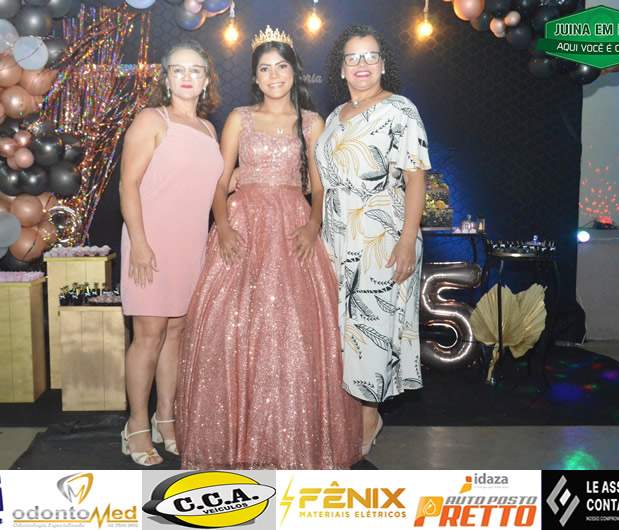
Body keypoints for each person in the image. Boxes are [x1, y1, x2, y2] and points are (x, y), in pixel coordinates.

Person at [175, 26, 362, 469]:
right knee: (231, 326)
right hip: (242, 223)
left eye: (281, 67)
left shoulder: (311, 122)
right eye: (265, 68)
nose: (274, 75)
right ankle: (230, 440)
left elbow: (320, 186)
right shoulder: (239, 118)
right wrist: (223, 226)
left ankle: (293, 441)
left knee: (295, 330)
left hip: (293, 224)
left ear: (294, 72)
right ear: (255, 77)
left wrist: (312, 226)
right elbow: (220, 180)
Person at [316, 25, 431, 456]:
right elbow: (324, 180)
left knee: (371, 330)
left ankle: (367, 422)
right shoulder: (334, 117)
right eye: (353, 57)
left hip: (381, 235)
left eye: (370, 56)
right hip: (337, 237)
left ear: (383, 64)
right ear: (341, 69)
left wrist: (407, 240)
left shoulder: (400, 110)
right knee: (343, 333)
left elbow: (416, 178)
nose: (361, 64)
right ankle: (350, 416)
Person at [118, 41, 223, 466]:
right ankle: (135, 425)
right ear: (165, 78)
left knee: (176, 332)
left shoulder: (209, 130)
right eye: (178, 69)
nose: (186, 77)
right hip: (151, 241)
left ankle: (166, 419)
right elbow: (128, 185)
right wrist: (140, 242)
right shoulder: (152, 119)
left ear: (206, 80)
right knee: (149, 335)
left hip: (190, 244)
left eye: (195, 70)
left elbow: (210, 187)